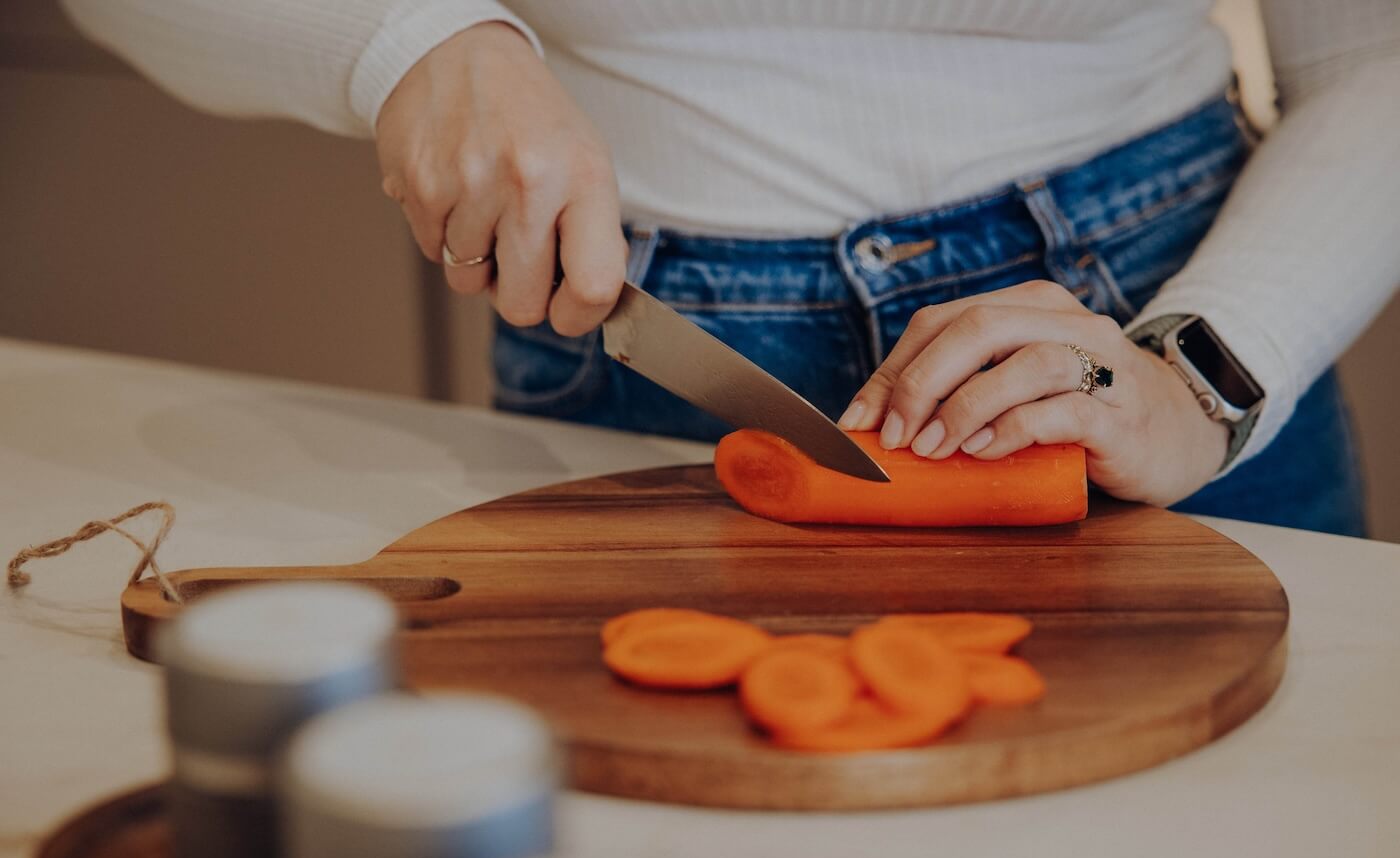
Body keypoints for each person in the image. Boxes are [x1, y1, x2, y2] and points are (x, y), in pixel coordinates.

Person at [62, 1, 1400, 535]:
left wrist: (1207, 372)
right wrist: (404, 40)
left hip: (1162, 328)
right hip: (642, 335)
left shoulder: (1194, 369)